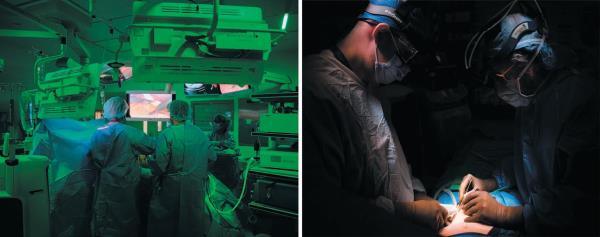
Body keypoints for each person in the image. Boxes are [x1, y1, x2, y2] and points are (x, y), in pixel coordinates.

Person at [303, 0, 447, 233]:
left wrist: (419, 195)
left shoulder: (370, 86)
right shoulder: (317, 90)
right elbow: (323, 207)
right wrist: (402, 213)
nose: (404, 69)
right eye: (404, 57)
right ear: (380, 34)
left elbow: (389, 161)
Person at [458, 13, 599, 235]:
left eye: (501, 77)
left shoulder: (580, 100)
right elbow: (528, 163)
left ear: (528, 66)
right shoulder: (531, 97)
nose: (498, 87)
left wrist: (507, 214)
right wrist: (490, 182)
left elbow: (583, 200)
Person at [146, 100, 217, 237]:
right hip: (195, 187)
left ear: (171, 115)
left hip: (171, 188)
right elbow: (212, 158)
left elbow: (159, 165)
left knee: (167, 224)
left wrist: (150, 163)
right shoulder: (199, 133)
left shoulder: (168, 134)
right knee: (191, 223)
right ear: (187, 113)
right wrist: (197, 171)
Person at [88, 96, 155, 237]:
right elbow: (151, 146)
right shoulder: (128, 132)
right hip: (124, 182)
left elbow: (93, 157)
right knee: (125, 218)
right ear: (124, 112)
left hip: (105, 182)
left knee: (105, 218)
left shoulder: (98, 132)